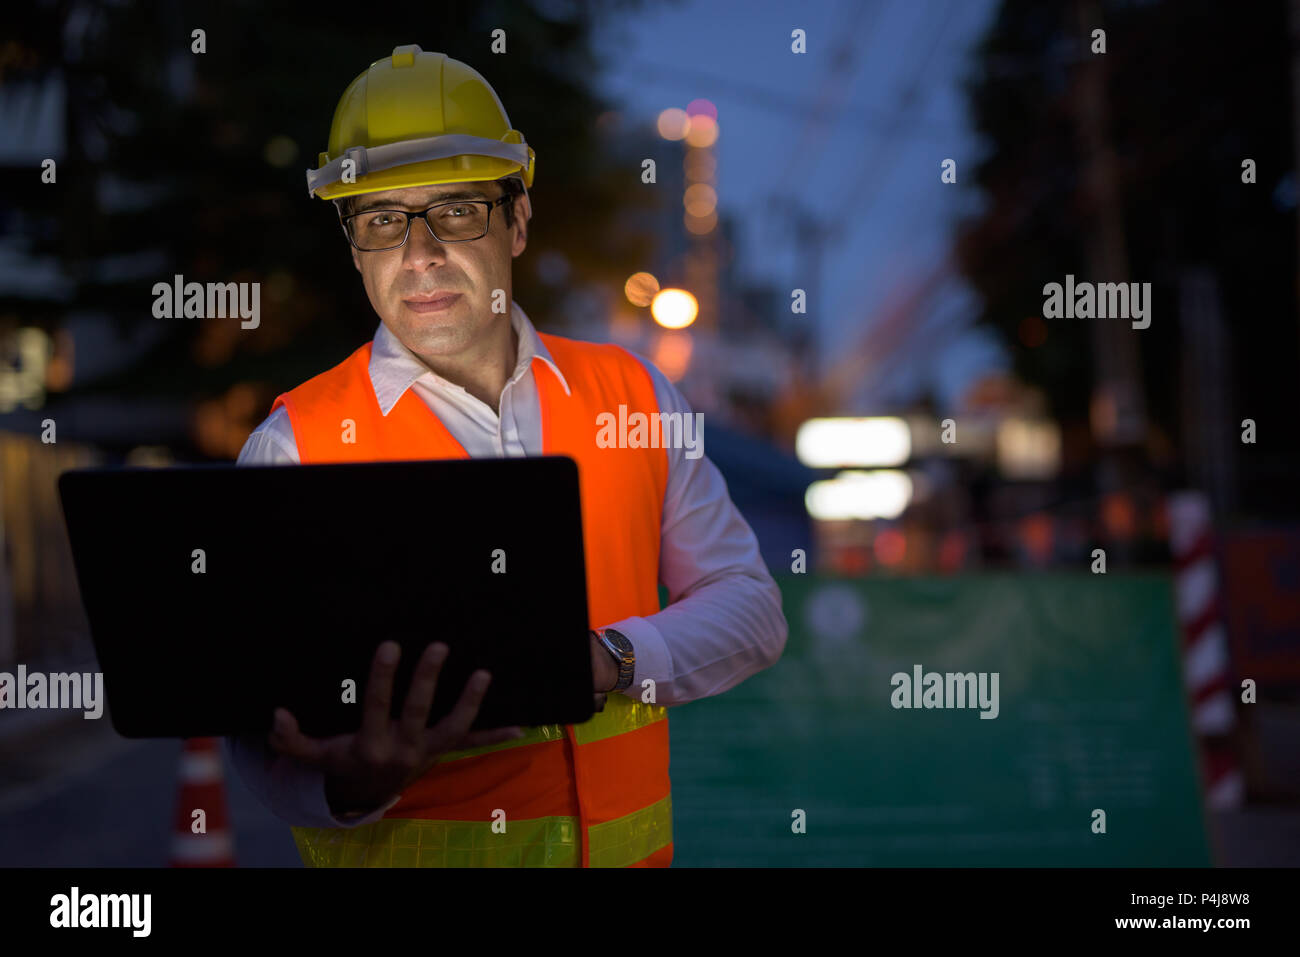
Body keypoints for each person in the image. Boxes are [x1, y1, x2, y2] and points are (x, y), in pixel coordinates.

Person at [225, 45, 787, 868]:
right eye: (382, 220)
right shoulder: (295, 447)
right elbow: (258, 739)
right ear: (354, 247)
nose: (419, 254)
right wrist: (352, 780)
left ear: (517, 221)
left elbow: (752, 608)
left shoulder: (632, 397)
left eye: (455, 210)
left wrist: (610, 659)